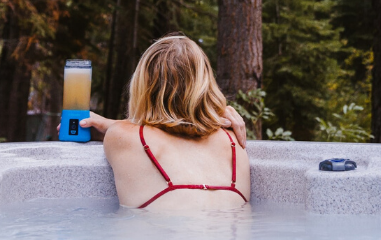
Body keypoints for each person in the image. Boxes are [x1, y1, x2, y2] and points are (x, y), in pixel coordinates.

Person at [72, 35, 251, 210]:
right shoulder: (235, 140)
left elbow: (144, 129)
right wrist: (215, 111)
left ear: (143, 86)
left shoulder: (122, 136)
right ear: (205, 84)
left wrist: (109, 125)